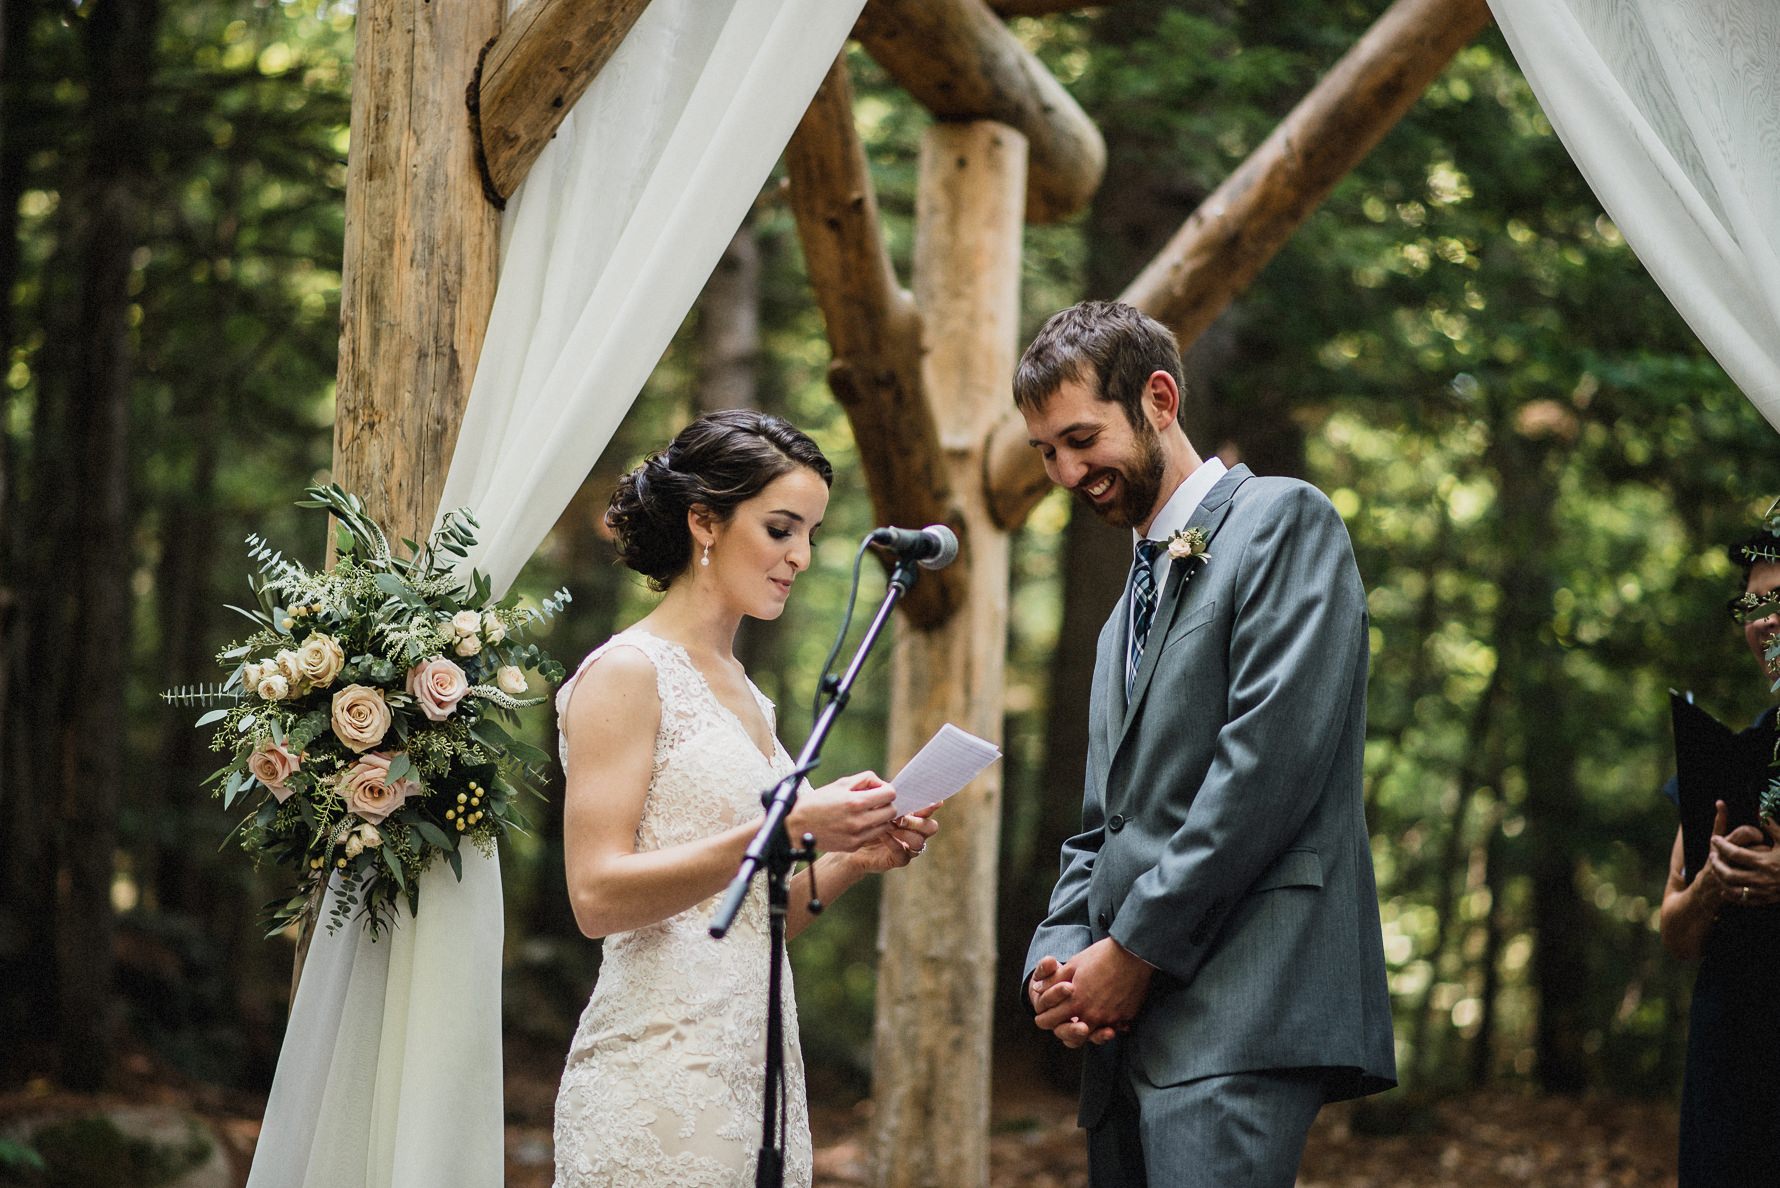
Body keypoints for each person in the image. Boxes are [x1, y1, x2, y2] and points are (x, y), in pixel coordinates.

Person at [1014, 301, 1395, 1186]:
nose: (1067, 473)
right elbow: (1101, 826)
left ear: (1157, 398)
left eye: (1080, 438)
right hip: (1124, 1037)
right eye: (1046, 452)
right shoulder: (1119, 621)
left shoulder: (1284, 522)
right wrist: (1058, 959)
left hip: (1242, 1004)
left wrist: (1135, 950)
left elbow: (1266, 768)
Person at [551, 410, 939, 1188]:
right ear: (704, 521)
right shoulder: (629, 672)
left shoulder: (750, 699)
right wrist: (785, 824)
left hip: (757, 1078)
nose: (799, 556)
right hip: (656, 1075)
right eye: (780, 529)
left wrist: (853, 859)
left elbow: (752, 920)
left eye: (812, 535)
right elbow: (595, 897)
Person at [1659, 526, 1780, 1187]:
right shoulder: (1730, 760)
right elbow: (1674, 932)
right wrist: (1713, 882)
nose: (1767, 622)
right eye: (1755, 606)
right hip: (1732, 1071)